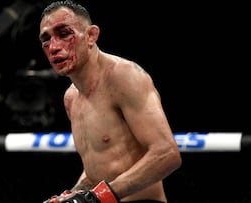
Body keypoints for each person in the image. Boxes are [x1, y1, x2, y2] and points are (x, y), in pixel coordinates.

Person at [38, 1, 182, 203]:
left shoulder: (124, 76)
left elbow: (167, 154)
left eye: (63, 34)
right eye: (46, 40)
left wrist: (98, 197)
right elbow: (98, 170)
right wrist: (75, 195)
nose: (53, 47)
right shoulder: (71, 98)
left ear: (91, 36)